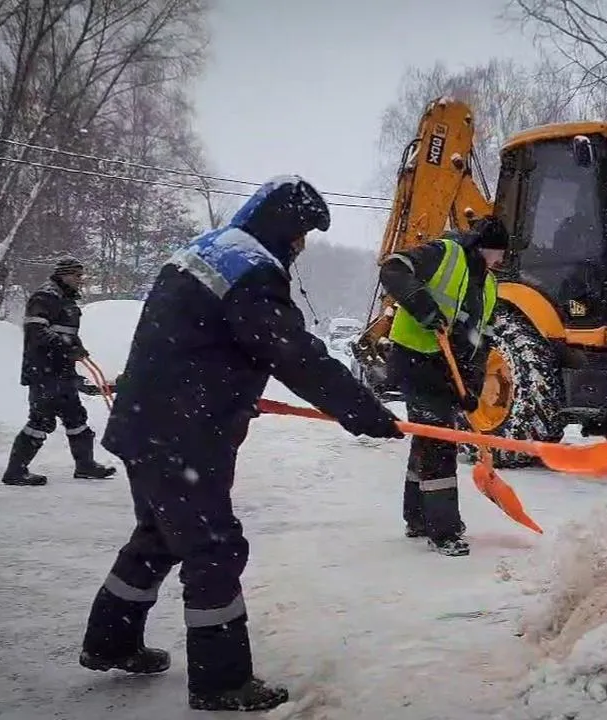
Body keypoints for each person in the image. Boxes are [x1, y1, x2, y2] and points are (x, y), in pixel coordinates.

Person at [77, 176, 404, 712]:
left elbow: (204, 342)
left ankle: (110, 642)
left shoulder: (205, 251)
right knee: (214, 547)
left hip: (146, 421)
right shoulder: (251, 269)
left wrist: (231, 386)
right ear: (281, 224)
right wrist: (360, 409)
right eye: (299, 235)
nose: (299, 247)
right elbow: (292, 352)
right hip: (183, 432)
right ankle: (221, 682)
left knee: (159, 534)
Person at [377, 215, 508, 557]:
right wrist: (423, 307)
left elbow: (482, 341)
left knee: (429, 435)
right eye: (498, 253)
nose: (501, 260)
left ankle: (418, 517)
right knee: (439, 440)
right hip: (414, 359)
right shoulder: (444, 254)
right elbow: (392, 269)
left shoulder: (489, 285)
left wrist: (471, 386)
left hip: (445, 368)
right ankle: (443, 530)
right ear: (485, 248)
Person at [0, 256, 115, 486]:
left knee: (76, 418)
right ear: (64, 275)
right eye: (76, 275)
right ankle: (15, 472)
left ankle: (85, 466)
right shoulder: (45, 297)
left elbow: (65, 333)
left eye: (81, 275)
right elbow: (36, 332)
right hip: (44, 371)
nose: (80, 280)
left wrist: (77, 347)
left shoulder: (67, 301)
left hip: (63, 372)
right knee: (40, 421)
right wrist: (67, 347)